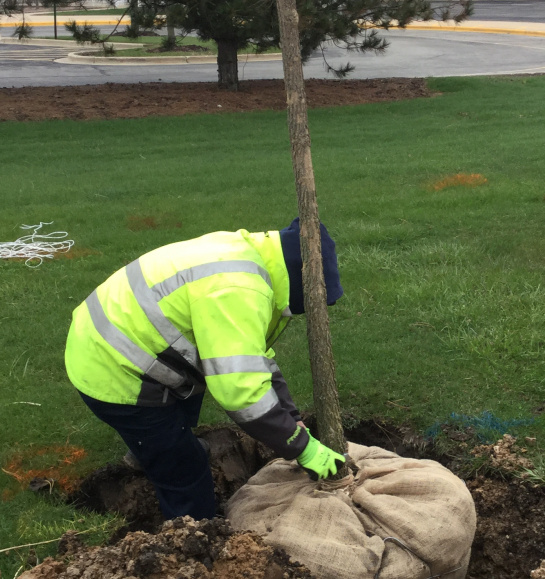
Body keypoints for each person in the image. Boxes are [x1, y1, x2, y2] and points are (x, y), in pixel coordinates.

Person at [64, 219, 346, 520]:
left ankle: (154, 448)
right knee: (186, 471)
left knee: (182, 413)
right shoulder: (238, 290)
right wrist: (303, 449)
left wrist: (292, 419)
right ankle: (192, 538)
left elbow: (253, 360)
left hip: (122, 336)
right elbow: (242, 393)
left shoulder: (249, 256)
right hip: (114, 367)